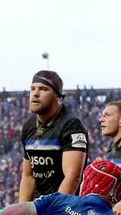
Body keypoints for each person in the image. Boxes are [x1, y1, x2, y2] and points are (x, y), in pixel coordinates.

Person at [18, 70, 88, 201]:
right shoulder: (29, 125)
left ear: (57, 96)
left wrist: (53, 213)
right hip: (41, 204)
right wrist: (22, 212)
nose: (35, 94)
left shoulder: (71, 125)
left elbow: (72, 177)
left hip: (68, 207)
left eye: (43, 89)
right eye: (32, 89)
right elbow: (28, 176)